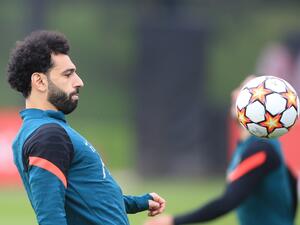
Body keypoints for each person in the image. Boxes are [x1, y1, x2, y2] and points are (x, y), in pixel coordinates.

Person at [7, 30, 166, 225]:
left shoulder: (42, 130)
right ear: (39, 81)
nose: (79, 81)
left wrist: (137, 202)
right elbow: (51, 217)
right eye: (68, 74)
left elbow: (83, 198)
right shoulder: (49, 135)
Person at [143, 76, 298, 225]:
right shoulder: (259, 145)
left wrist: (174, 221)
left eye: (243, 90)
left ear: (255, 108)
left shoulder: (260, 150)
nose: (234, 94)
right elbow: (291, 179)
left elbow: (228, 201)